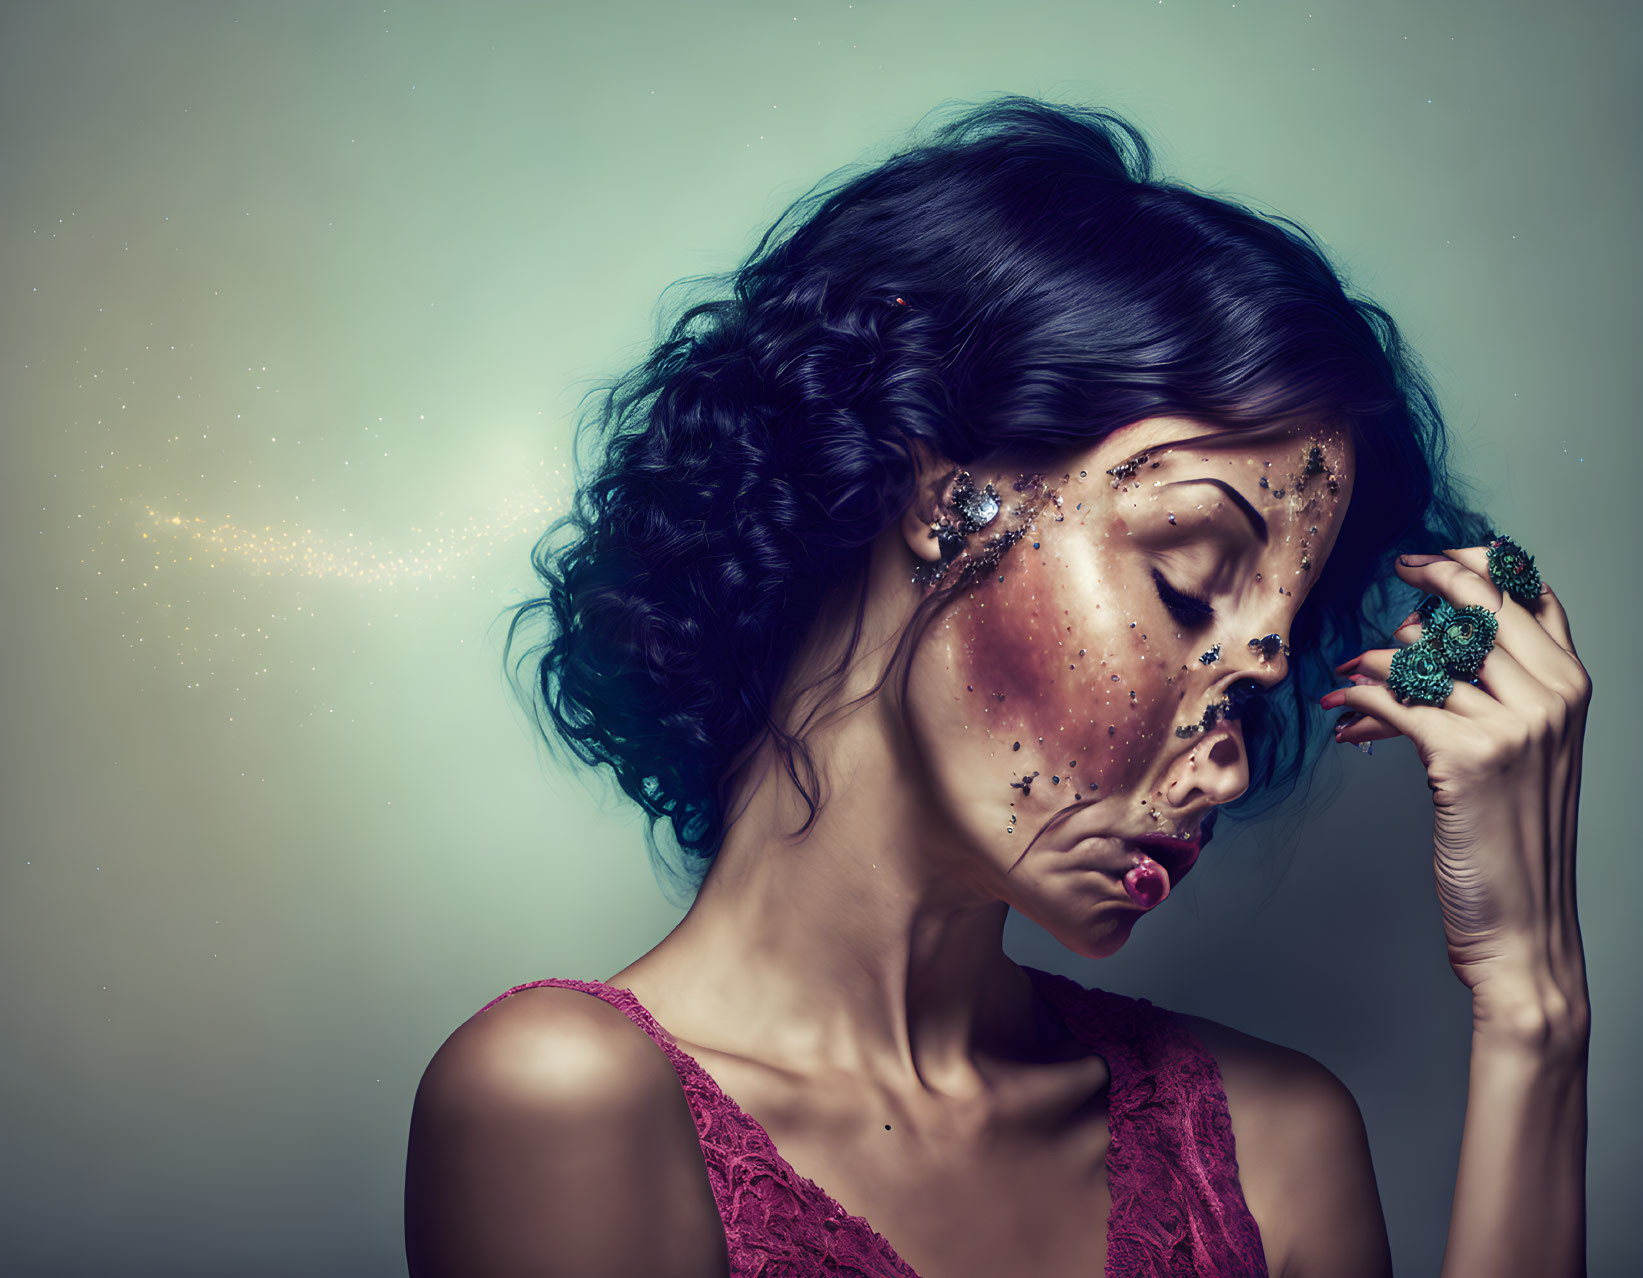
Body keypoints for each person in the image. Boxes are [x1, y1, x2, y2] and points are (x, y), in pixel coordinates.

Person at [403, 97, 1590, 1277]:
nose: (1225, 762)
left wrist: (1531, 1008)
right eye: (1182, 586)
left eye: (1243, 684)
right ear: (940, 492)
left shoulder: (1272, 1145)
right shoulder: (570, 1109)